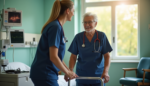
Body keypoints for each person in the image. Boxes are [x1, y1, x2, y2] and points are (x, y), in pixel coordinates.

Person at [30, 0, 78, 86]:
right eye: (73, 11)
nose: (73, 14)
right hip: (44, 73)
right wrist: (67, 72)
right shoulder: (55, 27)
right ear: (67, 11)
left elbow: (58, 57)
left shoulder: (57, 26)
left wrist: (68, 72)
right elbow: (53, 57)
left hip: (45, 73)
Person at [66, 12, 113, 86]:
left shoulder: (101, 36)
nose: (87, 25)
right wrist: (70, 71)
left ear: (95, 23)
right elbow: (73, 56)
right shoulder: (78, 37)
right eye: (85, 22)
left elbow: (107, 56)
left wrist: (106, 72)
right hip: (81, 76)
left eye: (89, 22)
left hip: (98, 77)